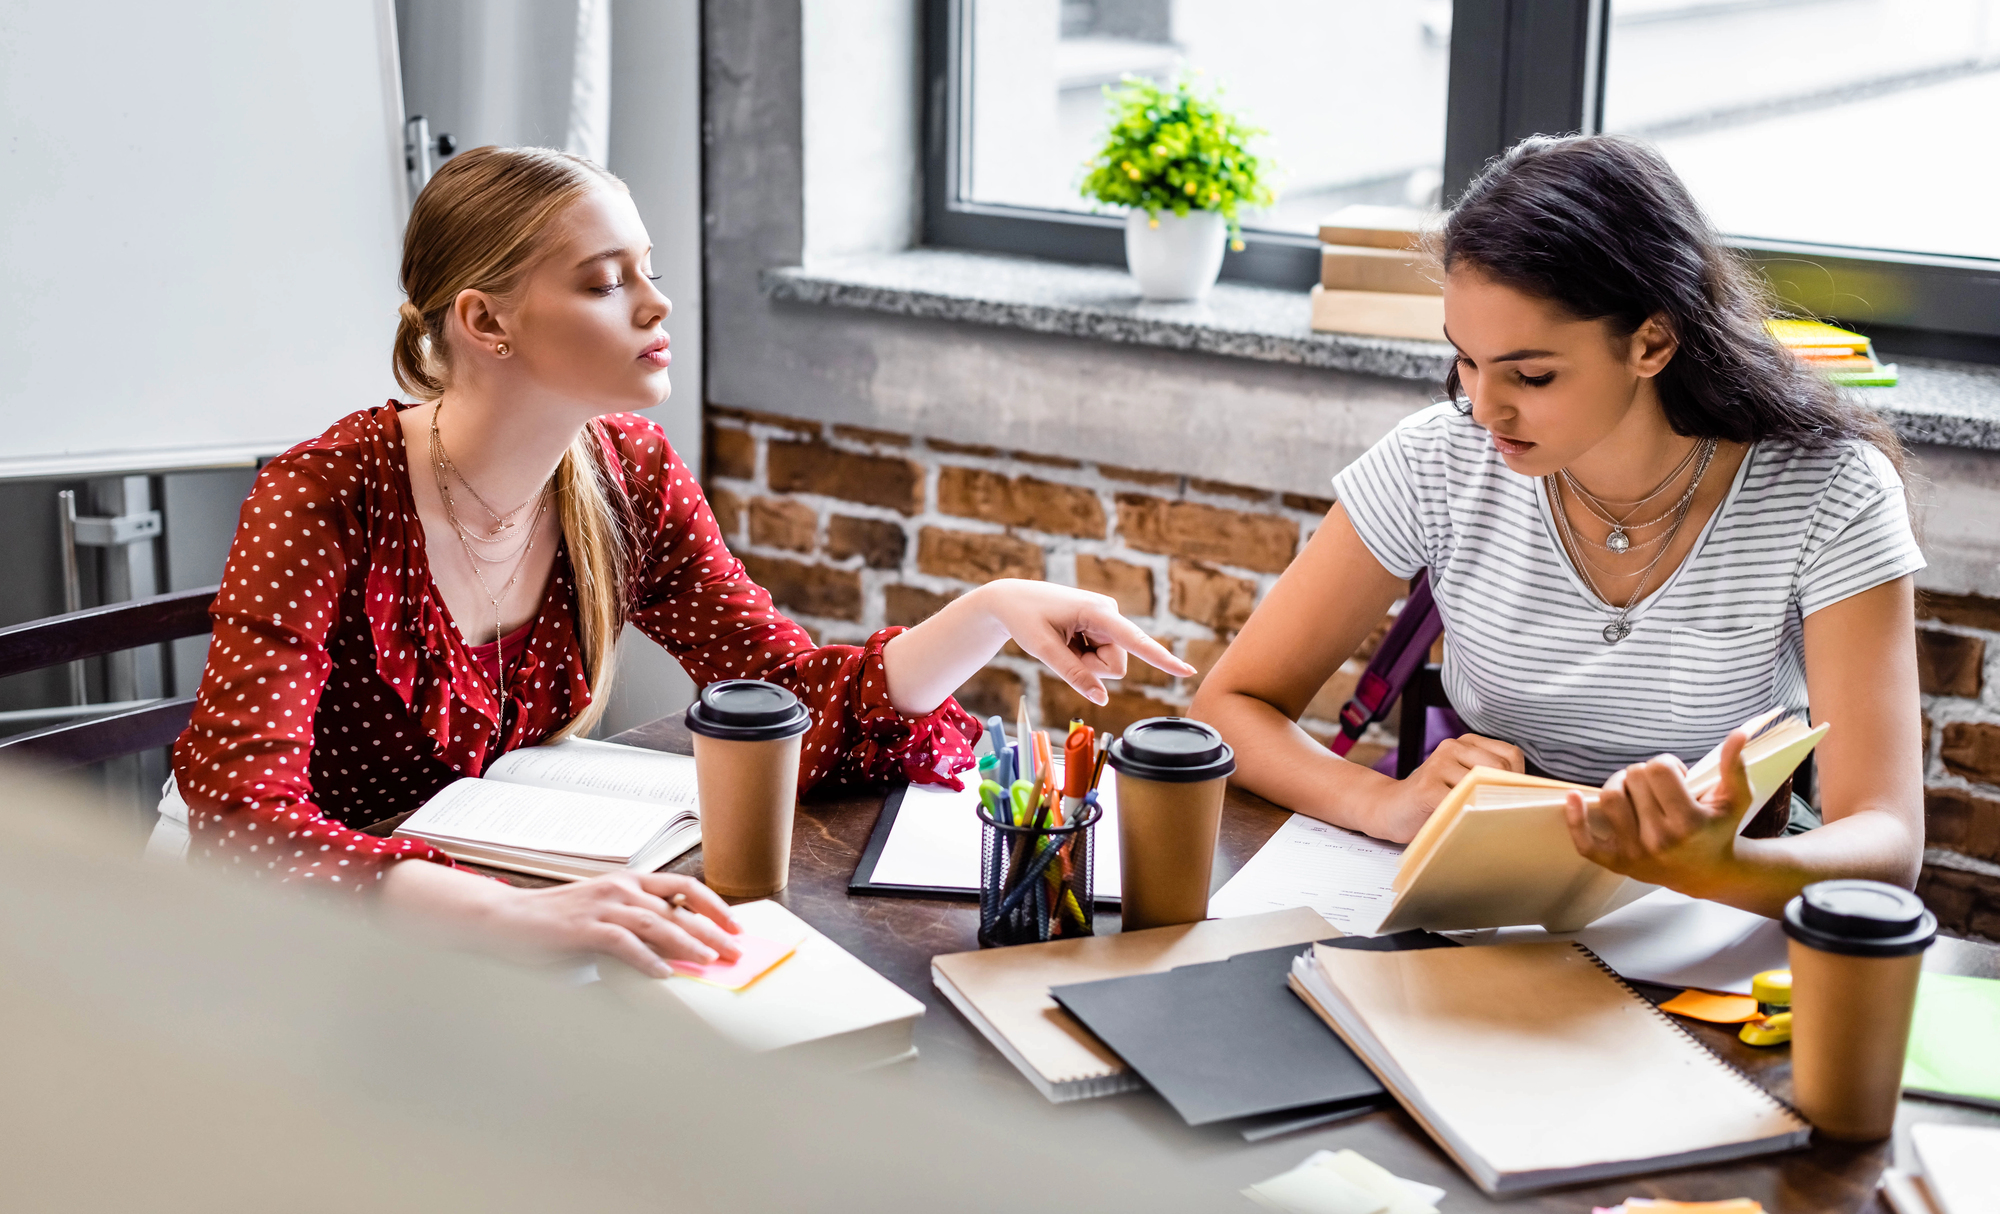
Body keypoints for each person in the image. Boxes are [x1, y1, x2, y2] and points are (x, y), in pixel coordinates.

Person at [171, 145, 1191, 976]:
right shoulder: (323, 497)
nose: (656, 306)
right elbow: (245, 823)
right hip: (300, 933)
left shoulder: (625, 475)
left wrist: (990, 611)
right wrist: (513, 918)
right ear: (485, 322)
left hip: (492, 905)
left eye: (646, 271)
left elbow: (788, 692)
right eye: (606, 282)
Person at [1190, 134, 1924, 919]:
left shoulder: (1829, 490)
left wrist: (1719, 866)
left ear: (1653, 339)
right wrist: (1383, 802)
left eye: (1531, 374)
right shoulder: (1437, 462)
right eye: (1465, 360)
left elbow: (1886, 839)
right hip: (1493, 884)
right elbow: (1228, 705)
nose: (1482, 406)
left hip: (1732, 896)